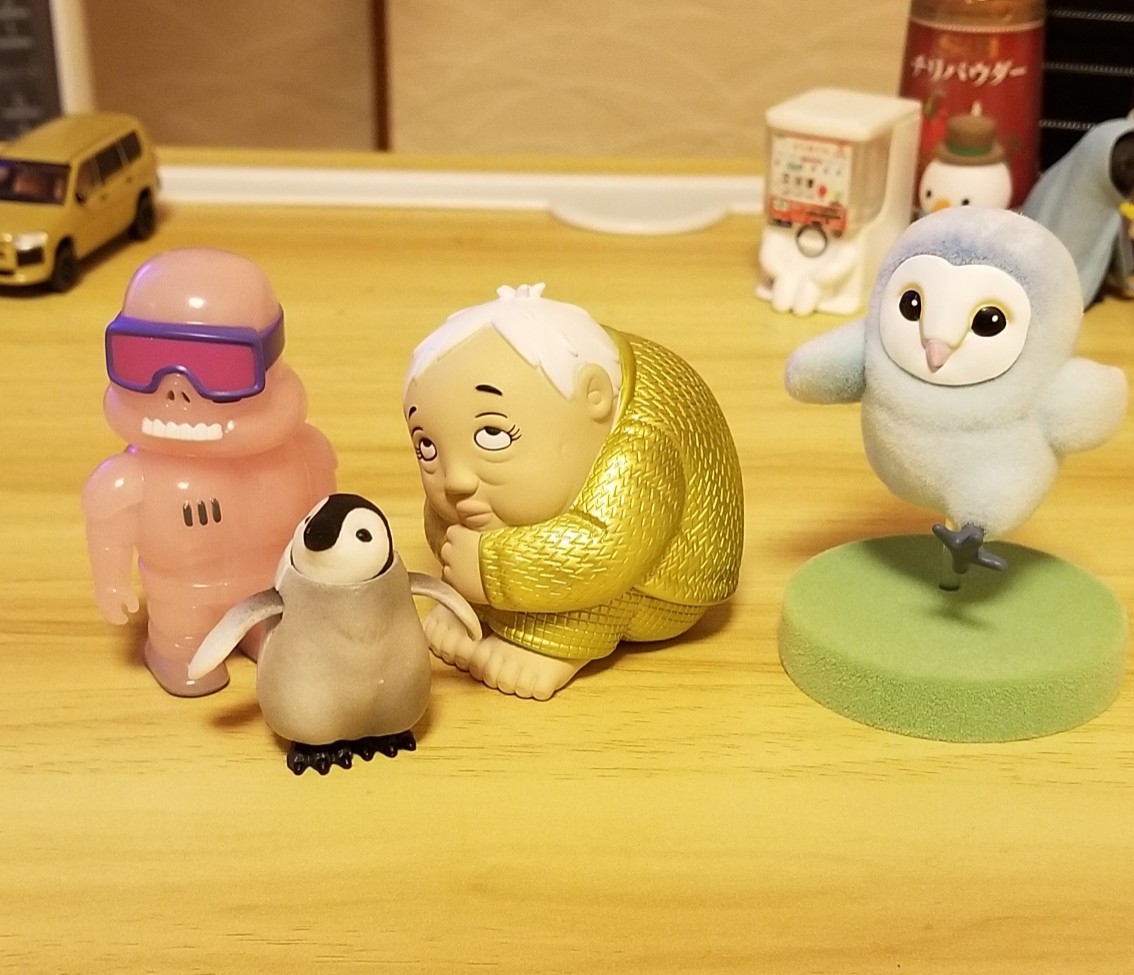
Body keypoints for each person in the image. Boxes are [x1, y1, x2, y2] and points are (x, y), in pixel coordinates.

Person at [402, 284, 744, 700]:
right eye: (428, 447)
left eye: (493, 434)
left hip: (662, 577)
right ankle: (479, 605)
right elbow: (446, 525)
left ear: (593, 400)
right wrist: (465, 567)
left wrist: (490, 567)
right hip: (556, 544)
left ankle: (552, 643)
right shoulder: (468, 480)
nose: (455, 479)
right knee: (472, 535)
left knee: (600, 583)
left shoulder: (641, 449)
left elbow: (607, 551)